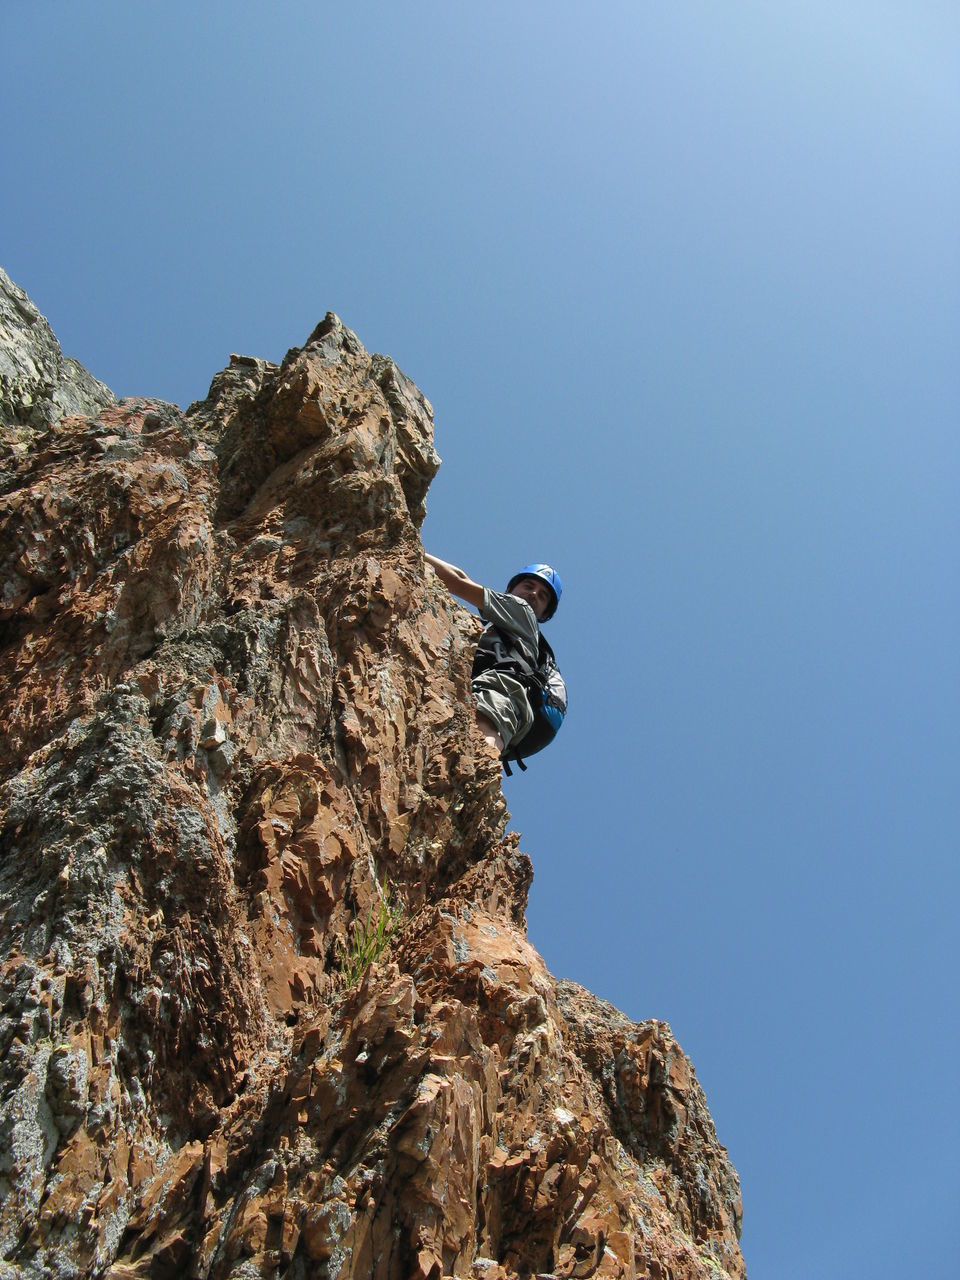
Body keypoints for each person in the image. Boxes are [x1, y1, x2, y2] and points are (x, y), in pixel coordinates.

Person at [425, 554, 563, 758]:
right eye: (529, 585)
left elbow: (459, 581)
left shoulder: (521, 610)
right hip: (515, 709)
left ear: (543, 614)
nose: (534, 594)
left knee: (482, 738)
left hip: (503, 689)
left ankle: (478, 772)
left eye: (542, 596)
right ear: (510, 589)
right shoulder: (512, 633)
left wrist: (412, 549)